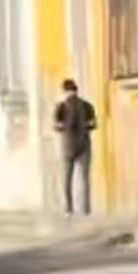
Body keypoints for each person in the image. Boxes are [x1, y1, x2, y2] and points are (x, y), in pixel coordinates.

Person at [53, 79, 97, 216]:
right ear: (76, 90)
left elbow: (57, 126)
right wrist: (84, 128)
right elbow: (94, 125)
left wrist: (64, 129)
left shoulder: (61, 107)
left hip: (68, 146)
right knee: (85, 178)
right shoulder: (87, 105)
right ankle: (86, 209)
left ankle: (68, 209)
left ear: (65, 91)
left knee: (67, 178)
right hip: (84, 145)